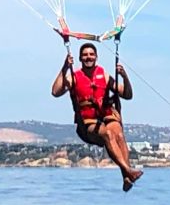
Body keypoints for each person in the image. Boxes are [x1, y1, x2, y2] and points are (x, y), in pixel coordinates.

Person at [51, 42, 143, 191]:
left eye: (91, 54)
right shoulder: (73, 77)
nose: (89, 57)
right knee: (107, 133)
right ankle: (128, 170)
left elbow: (127, 95)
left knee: (118, 134)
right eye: (85, 55)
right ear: (80, 58)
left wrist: (125, 77)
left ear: (96, 57)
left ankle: (126, 176)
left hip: (106, 116)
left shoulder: (104, 75)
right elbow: (55, 91)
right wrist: (65, 67)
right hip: (87, 124)